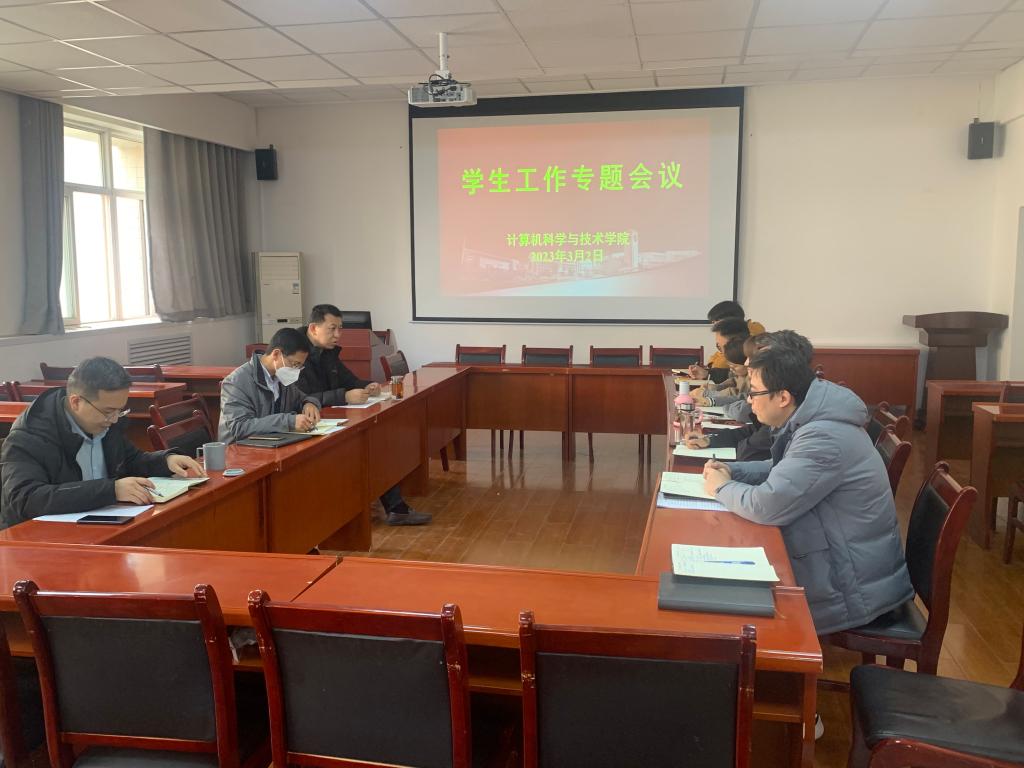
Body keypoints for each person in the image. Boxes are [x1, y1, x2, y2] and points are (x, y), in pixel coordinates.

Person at [702, 340, 913, 636]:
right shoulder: (814, 420)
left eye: (754, 392)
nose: (749, 400)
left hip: (851, 588)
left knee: (719, 607)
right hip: (848, 567)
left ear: (783, 397)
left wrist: (721, 488)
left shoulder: (823, 437)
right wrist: (734, 471)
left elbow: (767, 505)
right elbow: (783, 469)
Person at [0, 357, 205, 529]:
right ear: (76, 402)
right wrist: (110, 490)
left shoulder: (105, 422)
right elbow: (25, 498)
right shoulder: (29, 436)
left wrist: (165, 461)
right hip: (40, 540)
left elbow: (130, 460)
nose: (114, 419)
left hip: (98, 525)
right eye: (108, 411)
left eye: (120, 410)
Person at [298, 305, 432, 527]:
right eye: (332, 329)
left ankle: (396, 508)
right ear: (313, 328)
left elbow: (349, 380)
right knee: (365, 448)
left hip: (333, 419)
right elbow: (301, 398)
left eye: (340, 329)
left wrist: (368, 385)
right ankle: (365, 511)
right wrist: (344, 396)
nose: (338, 335)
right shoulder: (296, 353)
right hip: (309, 425)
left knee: (376, 443)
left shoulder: (329, 352)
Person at [218, 327, 322, 443]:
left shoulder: (282, 378)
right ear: (276, 354)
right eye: (295, 364)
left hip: (272, 445)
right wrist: (288, 422)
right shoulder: (236, 382)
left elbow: (301, 398)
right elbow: (239, 427)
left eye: (299, 366)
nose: (296, 370)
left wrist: (309, 403)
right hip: (240, 449)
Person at [689, 317, 751, 383]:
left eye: (721, 347)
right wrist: (707, 373)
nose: (721, 352)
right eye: (718, 346)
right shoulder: (741, 366)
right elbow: (730, 376)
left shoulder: (755, 371)